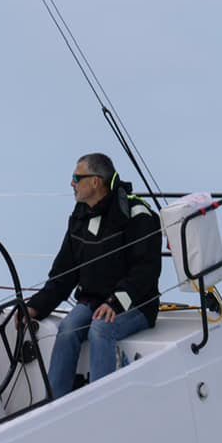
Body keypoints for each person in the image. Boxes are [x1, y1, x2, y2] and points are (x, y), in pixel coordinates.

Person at [23, 153, 162, 399]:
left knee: (100, 329)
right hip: (93, 301)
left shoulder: (137, 215)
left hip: (137, 305)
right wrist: (35, 307)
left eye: (77, 177)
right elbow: (64, 273)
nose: (72, 184)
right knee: (67, 329)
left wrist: (116, 302)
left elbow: (146, 270)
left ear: (96, 182)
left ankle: (99, 403)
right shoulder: (80, 215)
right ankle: (54, 404)